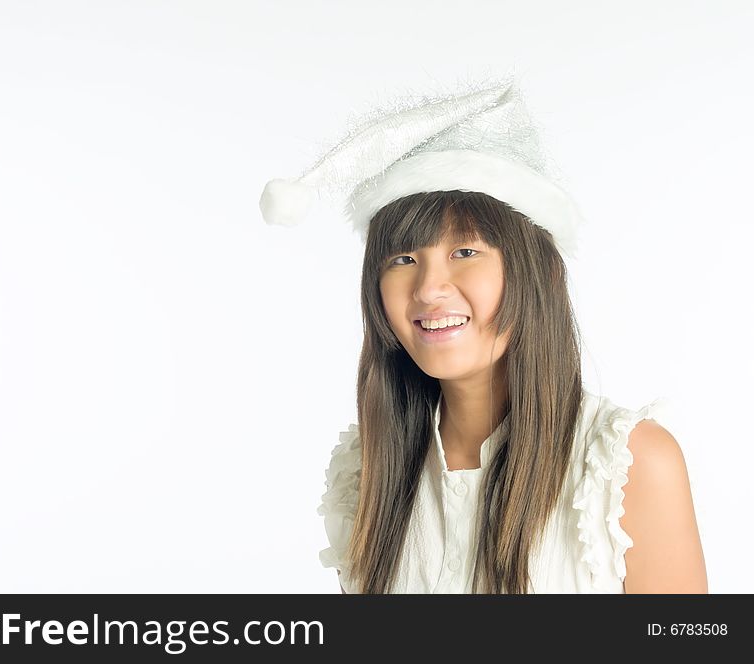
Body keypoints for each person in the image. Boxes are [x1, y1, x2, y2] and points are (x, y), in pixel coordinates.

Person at [259, 78, 707, 594]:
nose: (428, 289)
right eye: (403, 259)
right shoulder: (367, 467)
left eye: (465, 252)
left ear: (537, 273)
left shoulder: (626, 465)